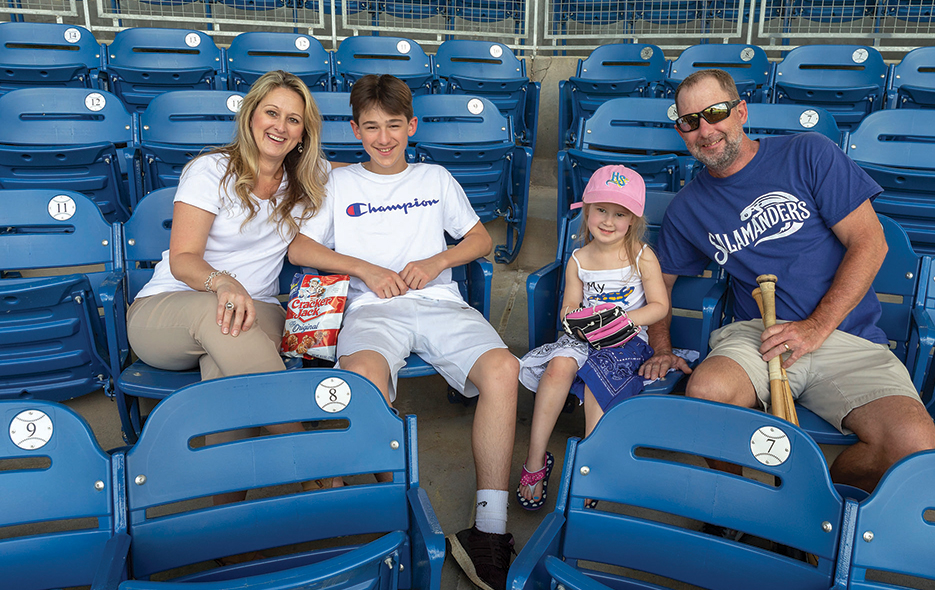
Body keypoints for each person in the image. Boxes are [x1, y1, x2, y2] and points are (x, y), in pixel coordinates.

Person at [641, 69, 935, 493]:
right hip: (758, 336)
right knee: (705, 393)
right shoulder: (688, 208)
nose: (705, 130)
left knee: (910, 441)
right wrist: (663, 349)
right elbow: (659, 283)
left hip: (844, 335)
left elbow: (871, 244)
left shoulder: (809, 153)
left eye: (715, 113)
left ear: (741, 111)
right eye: (690, 121)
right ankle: (739, 503)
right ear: (681, 132)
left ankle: (817, 500)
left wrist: (815, 328)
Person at [287, 74, 519, 590]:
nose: (384, 138)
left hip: (438, 302)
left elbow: (480, 238)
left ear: (411, 126)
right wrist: (365, 269)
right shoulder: (340, 184)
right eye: (372, 127)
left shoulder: (434, 178)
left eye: (394, 126)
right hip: (373, 309)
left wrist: (437, 259)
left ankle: (490, 527)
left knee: (504, 369)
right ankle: (359, 508)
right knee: (362, 377)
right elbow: (299, 249)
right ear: (355, 130)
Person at [126, 70, 338, 498]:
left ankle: (221, 517)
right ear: (251, 117)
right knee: (220, 313)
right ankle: (308, 460)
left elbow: (369, 171)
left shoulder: (309, 179)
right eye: (271, 113)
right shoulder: (211, 170)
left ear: (303, 134)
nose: (280, 126)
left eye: (293, 120)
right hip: (173, 310)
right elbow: (184, 258)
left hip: (254, 314)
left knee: (227, 380)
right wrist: (222, 282)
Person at [516, 165, 668, 511]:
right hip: (586, 336)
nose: (609, 220)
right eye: (601, 209)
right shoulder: (578, 259)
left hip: (627, 340)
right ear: (586, 211)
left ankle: (592, 464)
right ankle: (536, 460)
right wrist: (574, 318)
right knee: (558, 365)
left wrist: (624, 319)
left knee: (599, 381)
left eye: (620, 213)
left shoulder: (642, 257)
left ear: (633, 219)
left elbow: (659, 306)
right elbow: (569, 304)